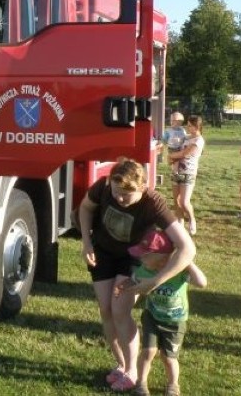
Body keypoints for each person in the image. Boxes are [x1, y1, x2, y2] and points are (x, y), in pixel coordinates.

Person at [78, 158, 196, 392]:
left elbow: (188, 248)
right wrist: (86, 242)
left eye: (126, 195)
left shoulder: (154, 203)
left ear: (142, 188)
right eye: (116, 192)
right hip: (103, 252)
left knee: (120, 309)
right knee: (106, 309)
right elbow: (85, 207)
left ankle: (132, 371)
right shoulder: (102, 186)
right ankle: (121, 365)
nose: (119, 199)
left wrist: (154, 281)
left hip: (134, 257)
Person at [119, 230, 207, 396]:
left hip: (175, 323)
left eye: (145, 255)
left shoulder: (179, 272)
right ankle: (141, 383)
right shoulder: (144, 270)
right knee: (148, 352)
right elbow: (134, 280)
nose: (140, 258)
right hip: (152, 317)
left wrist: (187, 262)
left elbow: (202, 283)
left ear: (161, 258)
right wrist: (125, 285)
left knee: (169, 358)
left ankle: (173, 384)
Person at [168, 116, 205, 236]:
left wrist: (171, 156)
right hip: (176, 171)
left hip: (188, 172)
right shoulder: (186, 137)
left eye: (190, 125)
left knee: (184, 202)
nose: (187, 127)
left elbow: (185, 153)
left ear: (197, 126)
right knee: (176, 201)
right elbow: (175, 146)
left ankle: (192, 220)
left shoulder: (198, 141)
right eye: (187, 125)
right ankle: (180, 222)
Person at [160, 112, 187, 177]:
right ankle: (175, 173)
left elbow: (185, 137)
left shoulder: (182, 130)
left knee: (182, 158)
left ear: (180, 122)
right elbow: (164, 140)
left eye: (175, 121)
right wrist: (163, 143)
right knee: (175, 160)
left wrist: (182, 140)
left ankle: (181, 167)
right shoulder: (168, 130)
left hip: (181, 147)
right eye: (171, 120)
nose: (172, 122)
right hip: (172, 148)